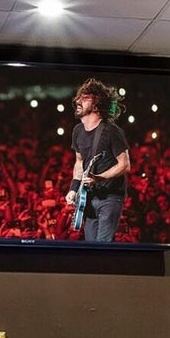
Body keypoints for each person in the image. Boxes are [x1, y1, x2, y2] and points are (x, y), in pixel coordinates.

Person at [66, 80, 133, 242]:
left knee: (103, 245)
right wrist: (73, 189)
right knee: (91, 247)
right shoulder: (78, 131)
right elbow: (79, 162)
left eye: (84, 98)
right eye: (78, 98)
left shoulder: (111, 131)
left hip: (109, 198)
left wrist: (99, 178)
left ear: (96, 105)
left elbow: (124, 164)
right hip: (89, 197)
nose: (77, 101)